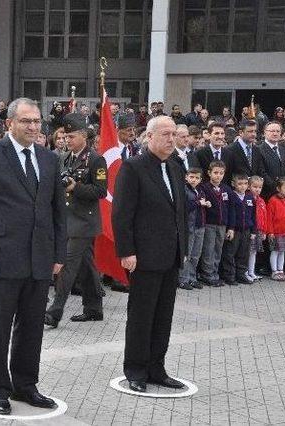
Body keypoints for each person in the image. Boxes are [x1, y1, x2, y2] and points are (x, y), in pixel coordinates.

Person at [0, 98, 66, 415]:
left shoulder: (49, 159)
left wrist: (59, 253)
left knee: (32, 325)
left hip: (39, 257)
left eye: (37, 121)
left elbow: (57, 212)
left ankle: (25, 385)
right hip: (1, 257)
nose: (33, 127)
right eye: (26, 121)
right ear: (9, 123)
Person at [112, 115, 187, 393]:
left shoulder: (176, 167)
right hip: (143, 256)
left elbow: (180, 212)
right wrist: (126, 251)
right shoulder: (133, 167)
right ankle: (136, 369)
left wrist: (184, 248)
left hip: (171, 255)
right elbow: (122, 214)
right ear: (150, 137)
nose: (171, 139)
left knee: (163, 316)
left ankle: (157, 368)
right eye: (165, 134)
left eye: (174, 134)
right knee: (142, 316)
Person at [44, 113, 106, 328]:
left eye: (70, 136)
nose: (66, 140)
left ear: (82, 135)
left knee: (67, 265)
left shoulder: (96, 159)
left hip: (84, 222)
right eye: (64, 136)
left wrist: (75, 187)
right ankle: (94, 308)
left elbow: (100, 191)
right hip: (68, 219)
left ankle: (55, 311)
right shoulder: (64, 157)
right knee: (87, 267)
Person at [198, 160, 231, 287]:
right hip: (209, 224)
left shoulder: (226, 189)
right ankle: (207, 274)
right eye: (215, 173)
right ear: (209, 173)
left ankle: (214, 273)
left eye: (221, 173)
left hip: (222, 225)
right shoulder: (204, 188)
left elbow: (231, 207)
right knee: (208, 249)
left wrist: (230, 226)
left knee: (218, 249)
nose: (218, 175)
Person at [220, 174, 256, 285]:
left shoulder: (250, 197)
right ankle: (229, 276)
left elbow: (254, 215)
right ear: (233, 184)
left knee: (243, 253)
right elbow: (230, 213)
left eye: (245, 184)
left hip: (246, 230)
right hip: (234, 230)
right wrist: (230, 228)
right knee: (230, 253)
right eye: (240, 184)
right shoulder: (231, 196)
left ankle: (241, 274)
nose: (243, 186)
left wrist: (254, 230)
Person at [178, 168, 209, 290]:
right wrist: (198, 203)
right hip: (189, 227)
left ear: (200, 179)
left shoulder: (200, 190)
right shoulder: (184, 190)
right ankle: (182, 279)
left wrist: (206, 204)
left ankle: (192, 278)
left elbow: (200, 205)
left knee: (196, 254)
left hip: (200, 226)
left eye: (197, 178)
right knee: (187, 254)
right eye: (191, 177)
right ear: (186, 177)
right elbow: (184, 207)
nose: (194, 180)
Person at [266, 177, 285, 281]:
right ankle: (274, 271)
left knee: (282, 251)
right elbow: (269, 218)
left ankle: (280, 270)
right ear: (278, 188)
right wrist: (270, 232)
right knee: (275, 251)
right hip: (276, 232)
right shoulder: (273, 201)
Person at [259, 121, 285, 199]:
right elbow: (261, 172)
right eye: (272, 131)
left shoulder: (284, 150)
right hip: (269, 193)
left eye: (278, 131)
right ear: (265, 133)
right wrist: (277, 188)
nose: (275, 133)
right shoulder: (259, 150)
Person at [247, 176, 267, 282]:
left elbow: (264, 217)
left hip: (259, 230)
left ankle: (251, 271)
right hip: (250, 230)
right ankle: (245, 272)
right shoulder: (247, 199)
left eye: (260, 187)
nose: (257, 189)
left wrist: (264, 230)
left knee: (254, 252)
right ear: (249, 187)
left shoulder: (261, 201)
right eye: (255, 187)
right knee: (248, 251)